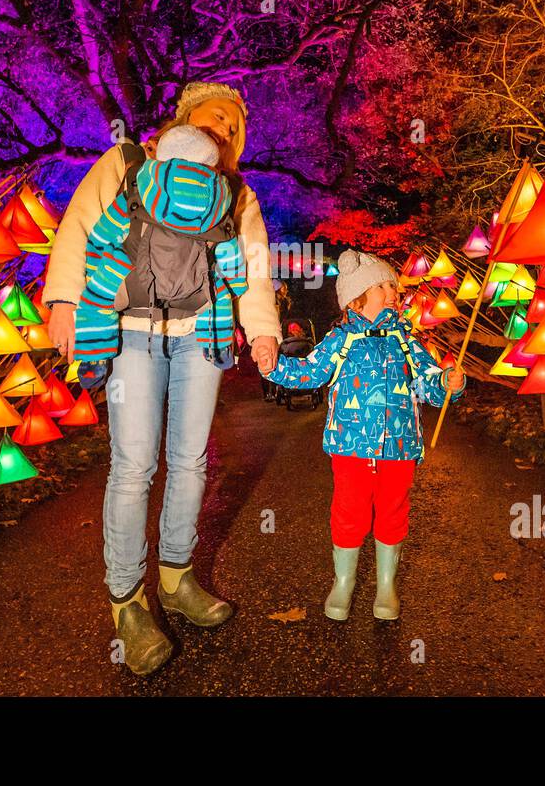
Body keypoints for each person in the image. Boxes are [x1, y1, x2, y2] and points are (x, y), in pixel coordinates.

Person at [43, 82, 281, 676]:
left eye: (235, 125)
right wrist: (64, 300)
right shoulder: (128, 163)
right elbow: (80, 227)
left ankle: (176, 577)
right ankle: (127, 602)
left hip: (202, 334)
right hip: (130, 332)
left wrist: (262, 330)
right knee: (133, 464)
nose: (225, 125)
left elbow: (250, 266)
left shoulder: (236, 193)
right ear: (184, 116)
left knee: (193, 459)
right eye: (216, 114)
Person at [259, 249, 466, 621]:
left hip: (399, 446)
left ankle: (386, 586)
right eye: (383, 285)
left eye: (394, 286)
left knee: (392, 511)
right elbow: (309, 372)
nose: (393, 292)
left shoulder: (406, 340)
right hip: (350, 446)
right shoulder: (342, 340)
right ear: (357, 297)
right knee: (348, 513)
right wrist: (275, 368)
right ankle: (344, 581)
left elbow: (430, 385)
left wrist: (449, 382)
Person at [72, 124, 247, 366]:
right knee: (219, 298)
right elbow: (229, 247)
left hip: (132, 279)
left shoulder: (139, 187)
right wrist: (236, 285)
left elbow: (103, 235)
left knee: (96, 298)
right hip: (195, 287)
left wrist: (94, 269)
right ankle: (217, 345)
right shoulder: (219, 198)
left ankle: (94, 358)